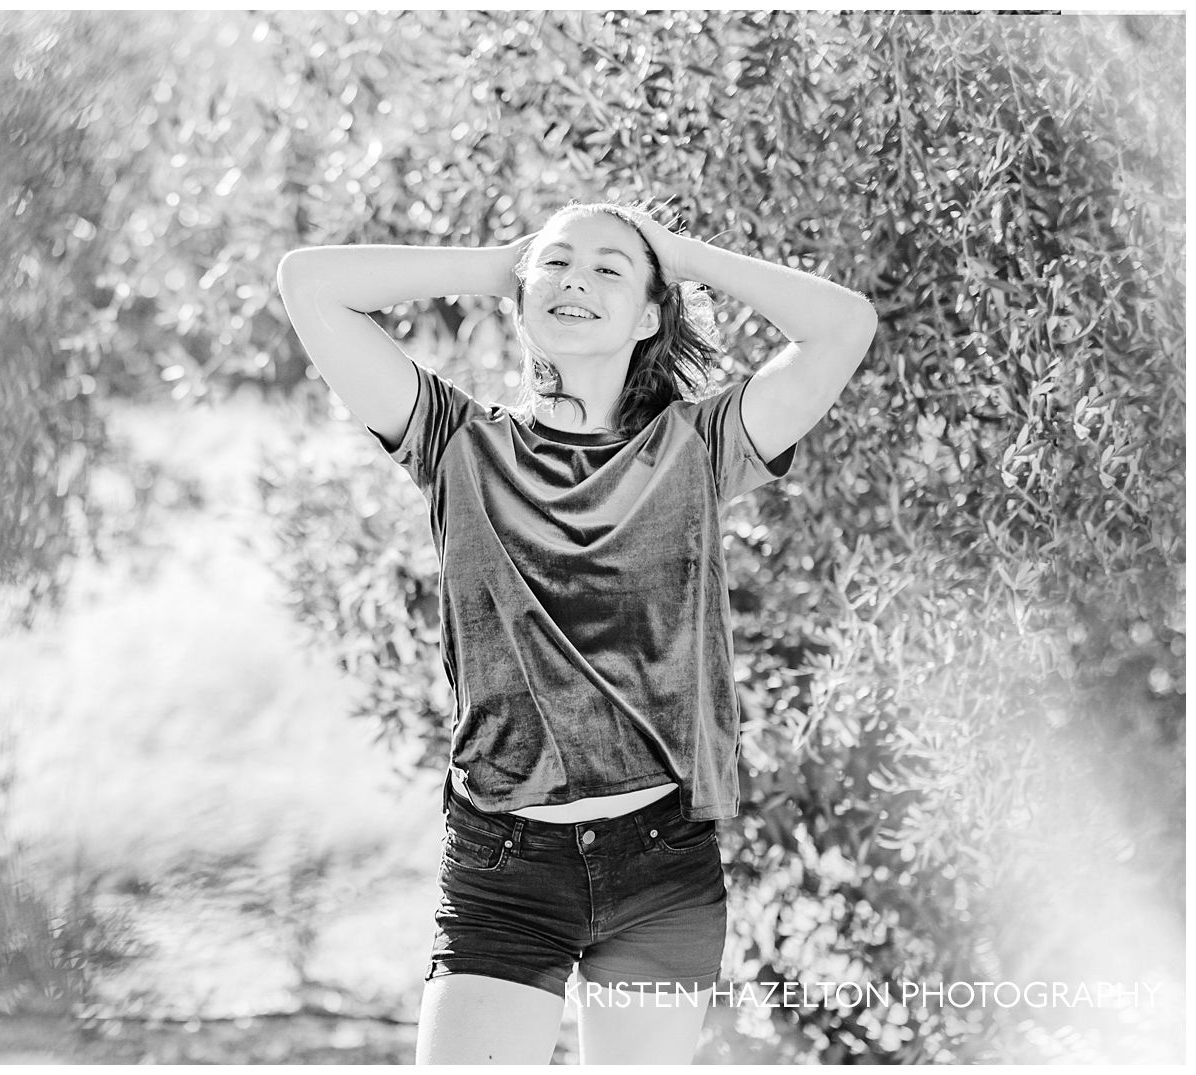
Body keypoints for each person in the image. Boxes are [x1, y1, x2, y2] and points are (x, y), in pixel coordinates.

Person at [276, 200, 876, 1064]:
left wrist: (678, 254)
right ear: (522, 301)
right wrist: (501, 264)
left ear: (649, 315)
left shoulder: (697, 448)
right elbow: (310, 283)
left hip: (661, 863)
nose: (575, 282)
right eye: (556, 266)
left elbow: (843, 326)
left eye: (607, 270)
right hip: (504, 865)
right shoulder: (458, 444)